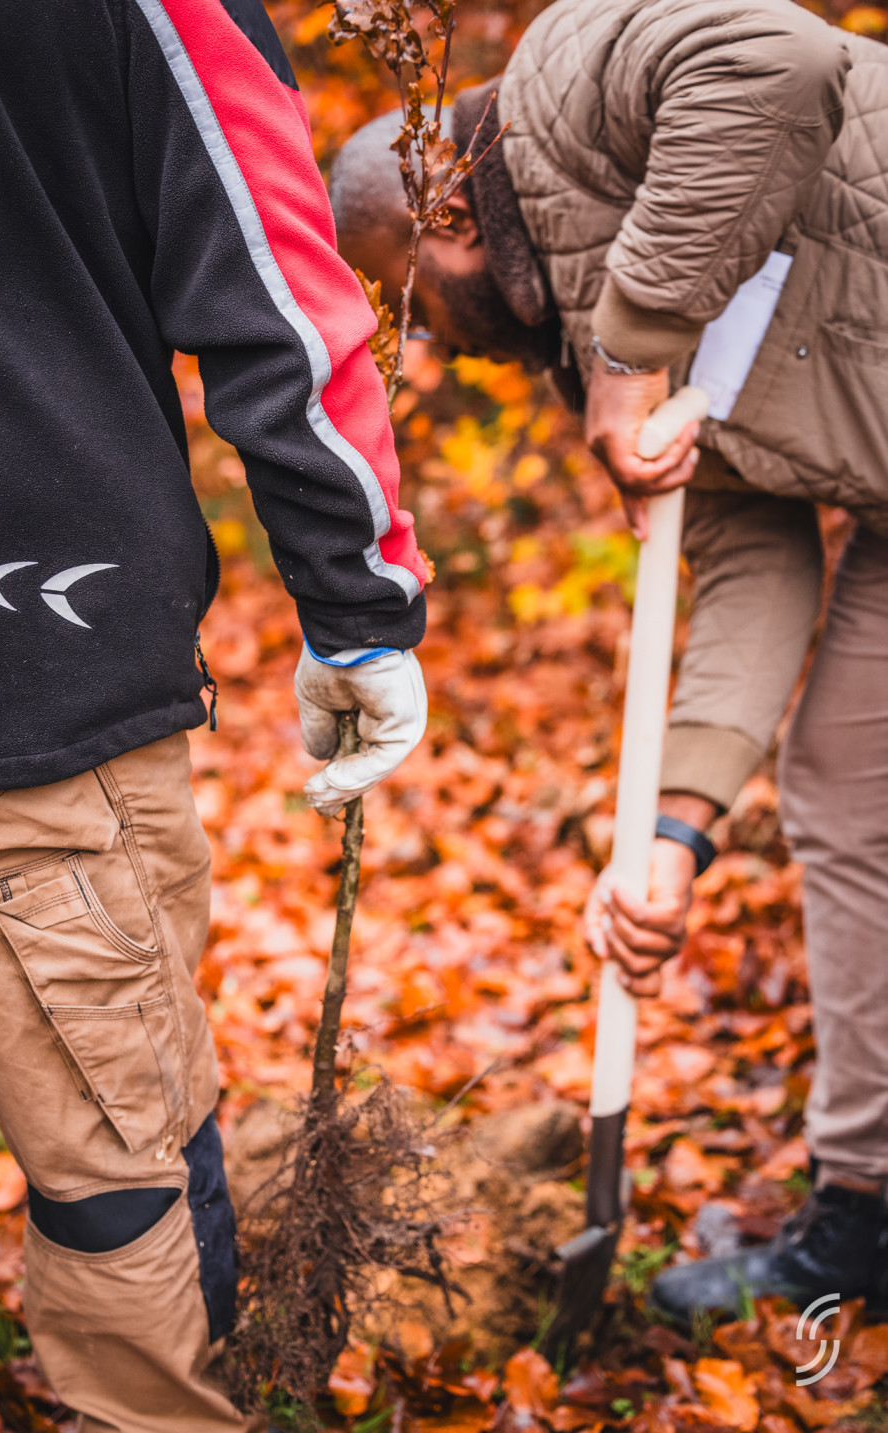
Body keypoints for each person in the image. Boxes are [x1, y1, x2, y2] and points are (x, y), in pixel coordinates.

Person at [330, 0, 888, 1322]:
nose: (438, 344)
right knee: (842, 781)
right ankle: (866, 1213)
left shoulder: (570, 75)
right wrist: (675, 833)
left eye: (415, 298)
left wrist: (633, 350)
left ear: (449, 218)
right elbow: (750, 558)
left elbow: (782, 62)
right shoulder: (581, 347)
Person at [0, 0, 427, 1425]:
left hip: (20, 655)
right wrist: (360, 607)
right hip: (30, 656)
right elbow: (271, 287)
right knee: (118, 1158)